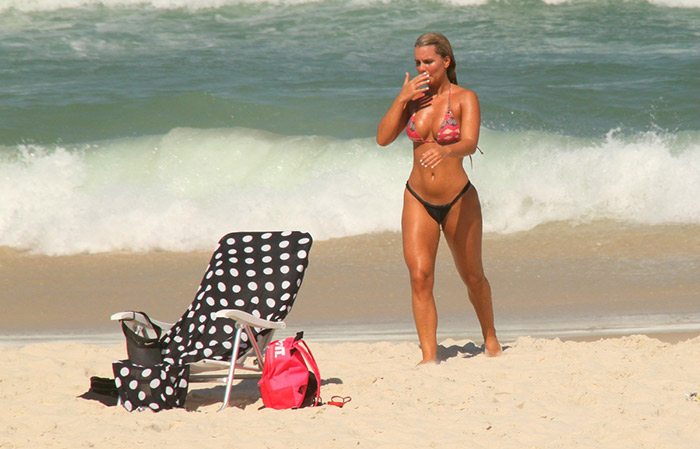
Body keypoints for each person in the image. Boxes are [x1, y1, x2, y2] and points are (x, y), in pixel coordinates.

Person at [376, 32, 502, 363]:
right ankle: (429, 357)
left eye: (428, 61)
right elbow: (383, 138)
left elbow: (470, 142)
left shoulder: (465, 98)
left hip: (459, 198)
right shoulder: (414, 99)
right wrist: (401, 99)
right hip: (418, 197)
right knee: (420, 276)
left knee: (472, 276)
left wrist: (446, 152)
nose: (422, 68)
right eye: (417, 62)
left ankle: (491, 339)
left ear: (446, 61)